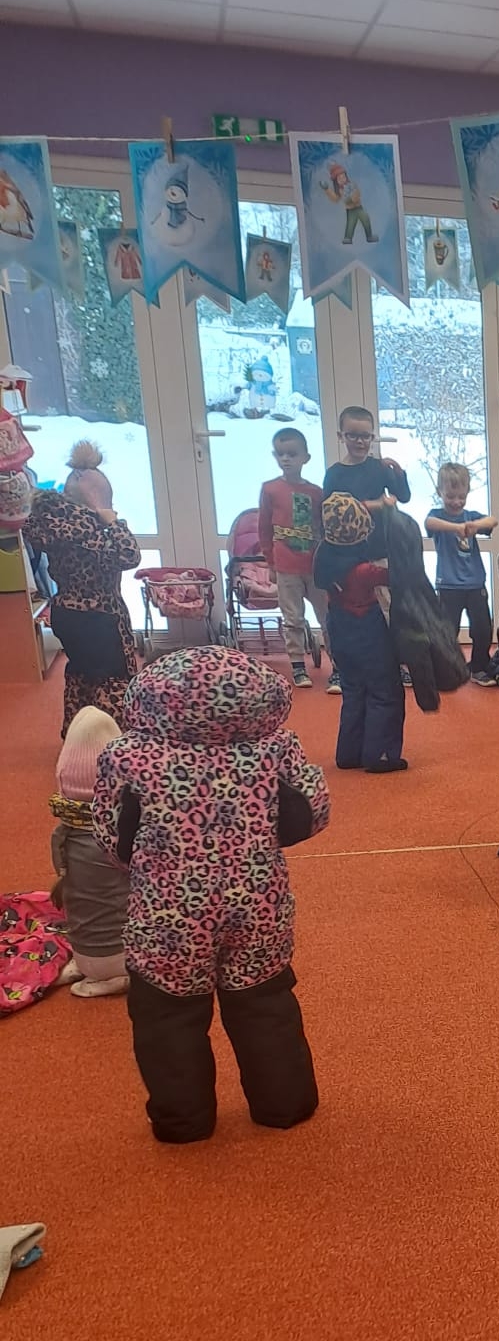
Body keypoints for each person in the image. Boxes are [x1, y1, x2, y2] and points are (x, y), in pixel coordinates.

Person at [92, 646, 329, 1144]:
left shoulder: (128, 757)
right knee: (265, 1002)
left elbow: (114, 840)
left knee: (167, 1015)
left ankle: (184, 1121)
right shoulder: (276, 749)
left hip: (167, 913)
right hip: (258, 902)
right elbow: (308, 817)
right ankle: (284, 1103)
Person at [23, 440, 140, 735]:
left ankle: (76, 736)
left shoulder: (51, 521)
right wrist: (113, 520)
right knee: (114, 679)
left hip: (66, 611)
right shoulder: (86, 528)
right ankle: (116, 741)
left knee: (81, 675)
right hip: (99, 615)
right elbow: (129, 555)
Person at [313, 493, 406, 773]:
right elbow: (398, 576)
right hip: (367, 631)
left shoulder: (324, 557)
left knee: (354, 691)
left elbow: (351, 514)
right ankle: (379, 755)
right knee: (384, 690)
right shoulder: (364, 570)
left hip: (339, 629)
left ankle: (349, 753)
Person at [48, 706, 128, 998]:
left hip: (83, 948)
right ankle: (118, 978)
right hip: (128, 950)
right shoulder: (124, 832)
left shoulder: (62, 836)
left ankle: (87, 967)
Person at [257, 426, 327, 689]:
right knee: (293, 618)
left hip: (315, 567)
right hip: (286, 567)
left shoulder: (317, 492)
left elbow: (324, 529)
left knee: (327, 616)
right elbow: (264, 529)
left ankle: (339, 665)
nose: (286, 459)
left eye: (292, 454)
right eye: (281, 454)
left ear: (305, 458)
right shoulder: (270, 489)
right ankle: (298, 665)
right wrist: (271, 563)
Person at [424, 462, 499, 687]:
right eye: (450, 496)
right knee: (448, 631)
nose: (456, 502)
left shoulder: (470, 516)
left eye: (461, 497)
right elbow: (429, 522)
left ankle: (479, 667)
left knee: (482, 628)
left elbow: (493, 521)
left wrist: (474, 525)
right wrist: (456, 528)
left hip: (475, 584)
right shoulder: (437, 516)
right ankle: (446, 669)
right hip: (448, 586)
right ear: (439, 492)